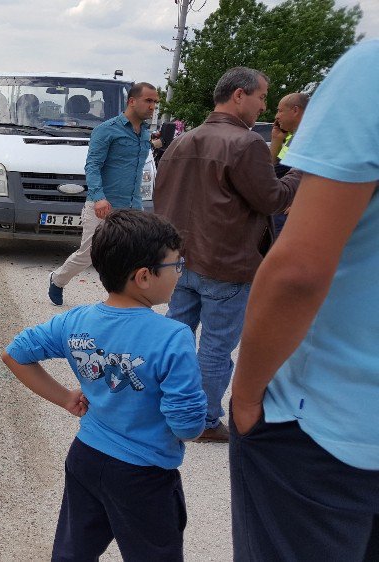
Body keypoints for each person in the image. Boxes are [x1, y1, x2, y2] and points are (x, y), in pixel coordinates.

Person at [229, 41, 379, 562]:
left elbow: (296, 269)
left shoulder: (368, 72)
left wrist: (245, 398)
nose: (270, 110)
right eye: (266, 98)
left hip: (333, 426)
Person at [3, 210, 205, 561]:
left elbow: (14, 354)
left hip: (86, 458)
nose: (180, 272)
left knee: (73, 553)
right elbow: (186, 426)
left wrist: (66, 397)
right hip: (144, 475)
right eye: (176, 265)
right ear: (144, 276)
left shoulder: (76, 320)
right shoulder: (173, 337)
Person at [153, 67, 301, 442]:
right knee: (215, 349)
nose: (264, 105)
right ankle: (202, 420)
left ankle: (163, 404)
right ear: (239, 95)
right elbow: (272, 197)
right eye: (262, 97)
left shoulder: (183, 141)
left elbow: (163, 198)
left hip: (180, 260)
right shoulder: (245, 143)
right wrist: (301, 173)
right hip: (227, 263)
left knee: (176, 336)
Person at [48, 82, 159, 306]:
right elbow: (93, 166)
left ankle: (125, 300)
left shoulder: (144, 133)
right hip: (102, 205)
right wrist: (98, 197)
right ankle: (57, 279)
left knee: (134, 254)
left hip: (132, 207)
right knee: (88, 254)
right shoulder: (107, 129)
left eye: (155, 102)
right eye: (148, 101)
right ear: (132, 101)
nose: (152, 107)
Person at [268, 92, 310, 236]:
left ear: (295, 110)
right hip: (281, 202)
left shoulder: (312, 137)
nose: (276, 116)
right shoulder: (293, 138)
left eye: (280, 110)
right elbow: (274, 170)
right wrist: (276, 139)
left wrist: (302, 200)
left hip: (289, 211)